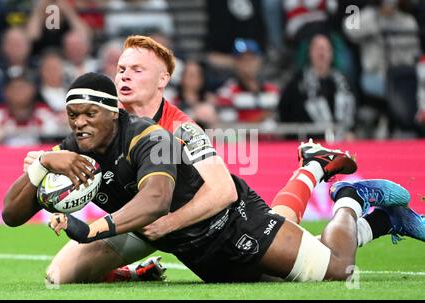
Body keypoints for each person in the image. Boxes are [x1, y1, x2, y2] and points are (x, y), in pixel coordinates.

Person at [21, 36, 420, 283]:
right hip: (154, 231)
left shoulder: (179, 128)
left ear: (162, 80)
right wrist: (43, 163)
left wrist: (167, 224)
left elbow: (223, 190)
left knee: (334, 270)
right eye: (121, 68)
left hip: (222, 224)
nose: (124, 76)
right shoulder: (103, 125)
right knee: (58, 275)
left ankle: (352, 198)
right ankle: (313, 164)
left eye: (137, 69)